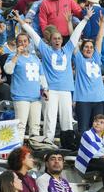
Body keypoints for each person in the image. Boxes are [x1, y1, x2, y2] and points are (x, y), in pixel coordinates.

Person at [16, 8, 94, 145]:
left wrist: (86, 19)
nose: (57, 41)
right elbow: (33, 35)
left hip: (65, 90)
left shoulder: (68, 49)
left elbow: (75, 35)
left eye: (59, 38)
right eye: (54, 39)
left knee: (67, 118)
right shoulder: (45, 50)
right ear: (50, 41)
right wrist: (22, 22)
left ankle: (67, 143)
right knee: (50, 118)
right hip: (51, 90)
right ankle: (48, 142)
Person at [3, 31, 48, 141]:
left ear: (29, 42)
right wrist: (17, 54)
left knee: (35, 127)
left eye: (25, 41)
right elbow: (8, 70)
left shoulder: (35, 58)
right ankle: (18, 153)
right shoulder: (12, 56)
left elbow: (41, 75)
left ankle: (33, 152)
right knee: (21, 126)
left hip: (36, 97)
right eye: (20, 41)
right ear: (16, 43)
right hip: (21, 96)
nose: (23, 43)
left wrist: (45, 89)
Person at [73, 15, 104, 135]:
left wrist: (102, 26)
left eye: (91, 47)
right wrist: (71, 26)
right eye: (86, 47)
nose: (89, 49)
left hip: (99, 99)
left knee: (98, 130)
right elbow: (74, 41)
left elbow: (99, 40)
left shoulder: (96, 58)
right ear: (82, 50)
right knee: (84, 129)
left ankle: (97, 151)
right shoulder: (79, 60)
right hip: (83, 100)